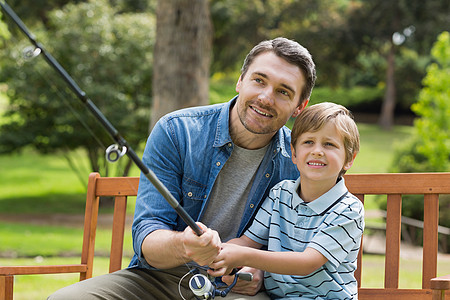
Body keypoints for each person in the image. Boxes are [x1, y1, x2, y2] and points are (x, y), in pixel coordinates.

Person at [48, 37, 316, 300]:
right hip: (157, 279)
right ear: (240, 81)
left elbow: (303, 253)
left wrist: (260, 268)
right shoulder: (178, 131)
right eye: (259, 80)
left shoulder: (300, 163)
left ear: (299, 107)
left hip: (234, 289)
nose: (266, 97)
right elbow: (147, 236)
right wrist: (185, 246)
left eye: (284, 91)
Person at [208, 102, 365, 299]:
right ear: (294, 153)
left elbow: (307, 263)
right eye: (308, 142)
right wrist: (219, 250)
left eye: (329, 144)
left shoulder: (349, 209)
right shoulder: (280, 194)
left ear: (349, 159)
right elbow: (248, 242)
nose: (317, 151)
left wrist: (242, 256)